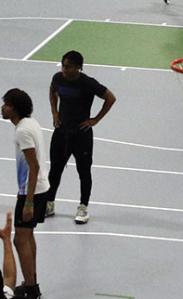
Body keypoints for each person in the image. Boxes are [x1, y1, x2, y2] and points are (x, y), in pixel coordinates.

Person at [46, 51, 116, 224]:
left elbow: (110, 98)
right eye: (63, 65)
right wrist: (55, 113)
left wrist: (95, 120)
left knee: (83, 172)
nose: (64, 69)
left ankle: (83, 207)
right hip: (61, 133)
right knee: (55, 170)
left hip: (81, 136)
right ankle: (49, 203)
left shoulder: (88, 83)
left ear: (78, 67)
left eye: (68, 66)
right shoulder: (58, 78)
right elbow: (52, 90)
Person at [1, 88, 49, 299]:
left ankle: (31, 289)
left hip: (32, 192)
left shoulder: (22, 131)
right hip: (36, 189)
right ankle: (32, 284)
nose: (3, 108)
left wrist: (28, 201)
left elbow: (34, 165)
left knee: (20, 239)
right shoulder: (31, 124)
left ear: (15, 108)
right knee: (27, 237)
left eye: (6, 104)